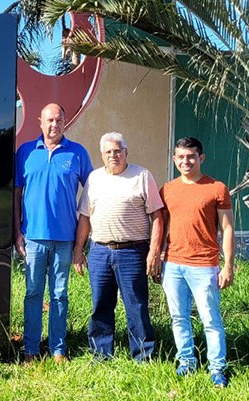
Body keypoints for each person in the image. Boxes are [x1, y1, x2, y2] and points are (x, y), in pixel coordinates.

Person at [14, 103, 93, 364]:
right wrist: (17, 231)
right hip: (33, 238)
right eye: (49, 120)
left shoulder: (77, 153)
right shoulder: (25, 152)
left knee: (59, 294)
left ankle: (58, 349)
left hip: (64, 239)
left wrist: (82, 239)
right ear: (40, 121)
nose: (54, 125)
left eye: (59, 120)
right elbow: (16, 195)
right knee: (33, 294)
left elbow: (93, 193)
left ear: (65, 122)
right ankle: (31, 349)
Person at [74, 132, 163, 362]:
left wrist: (154, 251)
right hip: (100, 252)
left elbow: (157, 216)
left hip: (132, 252)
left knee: (136, 305)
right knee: (100, 304)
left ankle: (143, 356)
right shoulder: (94, 178)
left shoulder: (142, 176)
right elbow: (85, 216)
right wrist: (78, 250)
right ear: (102, 155)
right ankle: (101, 354)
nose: (113, 155)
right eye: (108, 152)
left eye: (118, 150)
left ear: (126, 152)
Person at [159, 137, 234, 387]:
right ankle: (187, 362)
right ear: (174, 159)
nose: (185, 161)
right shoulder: (167, 189)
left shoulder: (217, 188)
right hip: (173, 265)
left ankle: (217, 369)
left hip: (204, 265)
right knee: (178, 317)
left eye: (191, 156)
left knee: (210, 320)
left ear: (201, 158)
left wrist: (228, 266)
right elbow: (163, 226)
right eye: (180, 157)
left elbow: (227, 228)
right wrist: (159, 257)